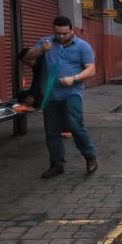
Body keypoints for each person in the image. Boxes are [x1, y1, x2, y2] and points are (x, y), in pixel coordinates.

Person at [24, 16, 97, 179]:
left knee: (75, 125)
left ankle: (89, 156)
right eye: (57, 33)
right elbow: (28, 57)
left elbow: (91, 70)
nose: (61, 36)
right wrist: (41, 50)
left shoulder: (82, 46)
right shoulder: (45, 42)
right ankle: (56, 165)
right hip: (50, 94)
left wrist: (74, 78)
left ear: (72, 30)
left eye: (64, 33)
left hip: (72, 93)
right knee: (51, 131)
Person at [16, 47, 72, 138]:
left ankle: (66, 129)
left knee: (54, 103)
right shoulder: (38, 62)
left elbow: (38, 82)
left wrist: (31, 97)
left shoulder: (43, 62)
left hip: (59, 88)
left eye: (24, 61)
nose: (26, 64)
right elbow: (37, 82)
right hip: (51, 89)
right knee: (22, 95)